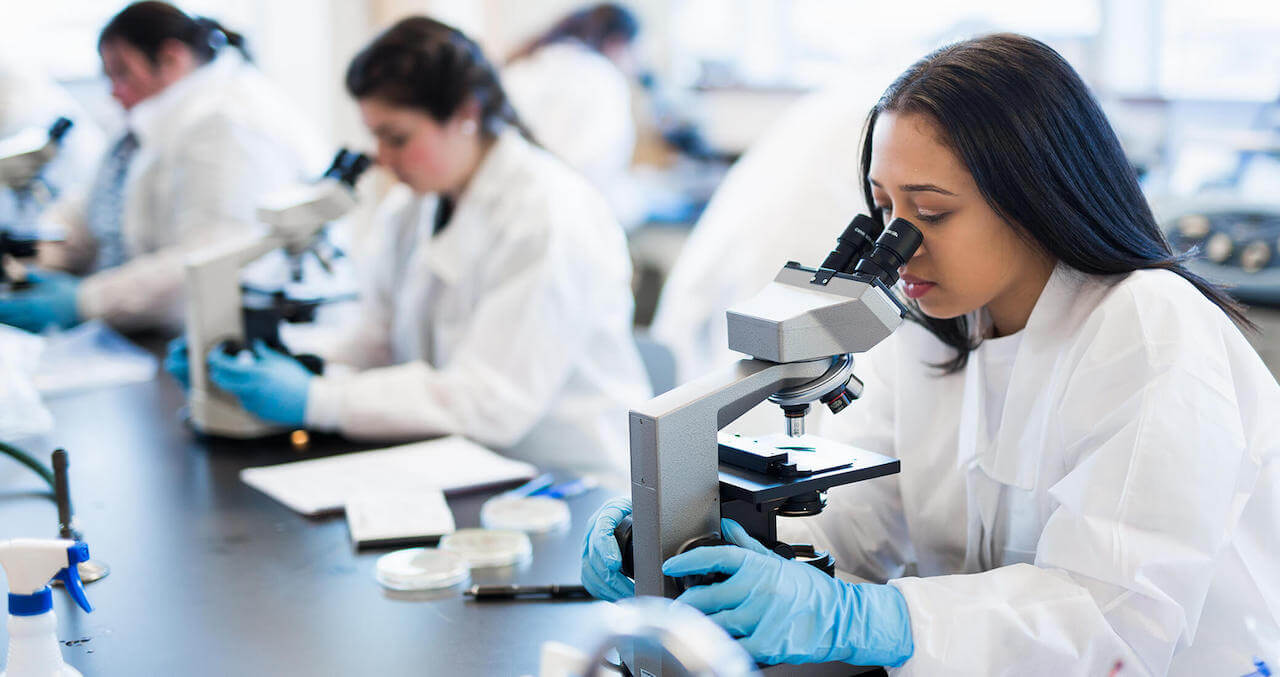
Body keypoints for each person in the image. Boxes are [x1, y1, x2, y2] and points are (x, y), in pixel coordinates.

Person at [581, 33, 1280, 675]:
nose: (900, 242)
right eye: (884, 210)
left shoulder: (1149, 327)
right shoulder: (929, 323)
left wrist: (868, 618)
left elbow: (1112, 621)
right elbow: (855, 526)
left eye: (933, 211)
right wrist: (699, 542)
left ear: (1036, 194)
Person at [168, 17, 651, 482]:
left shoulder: (549, 215)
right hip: (459, 462)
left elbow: (489, 400)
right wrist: (271, 359)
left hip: (564, 480)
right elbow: (378, 340)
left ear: (466, 113)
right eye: (375, 136)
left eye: (396, 137)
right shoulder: (413, 205)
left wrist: (316, 399)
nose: (381, 157)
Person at [0, 1, 326, 333]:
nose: (114, 92)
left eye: (122, 72)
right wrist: (29, 261)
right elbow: (92, 210)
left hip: (221, 334)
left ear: (171, 58)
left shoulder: (228, 125)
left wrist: (87, 301)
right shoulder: (149, 122)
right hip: (151, 333)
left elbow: (210, 258)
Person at [502, 4, 640, 223]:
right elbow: (601, 166)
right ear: (617, 42)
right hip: (572, 214)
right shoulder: (603, 79)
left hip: (512, 209)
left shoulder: (524, 66)